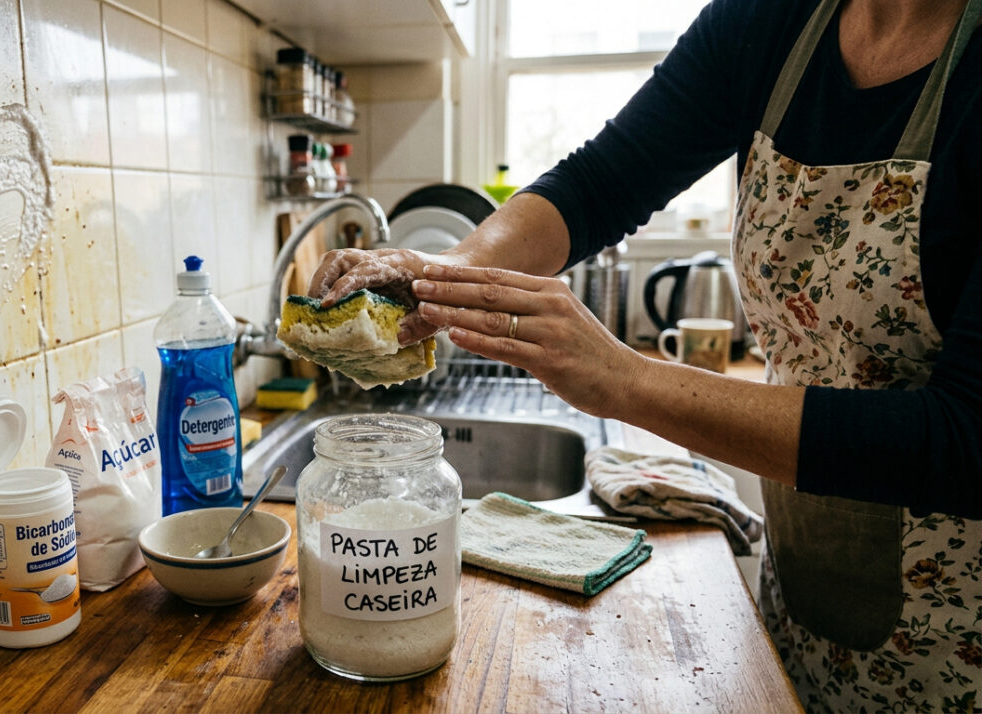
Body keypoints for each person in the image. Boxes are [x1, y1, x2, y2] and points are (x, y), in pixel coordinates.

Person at [308, 0, 982, 710]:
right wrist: (445, 273)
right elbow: (603, 181)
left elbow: (966, 441)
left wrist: (624, 378)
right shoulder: (770, 22)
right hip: (812, 573)